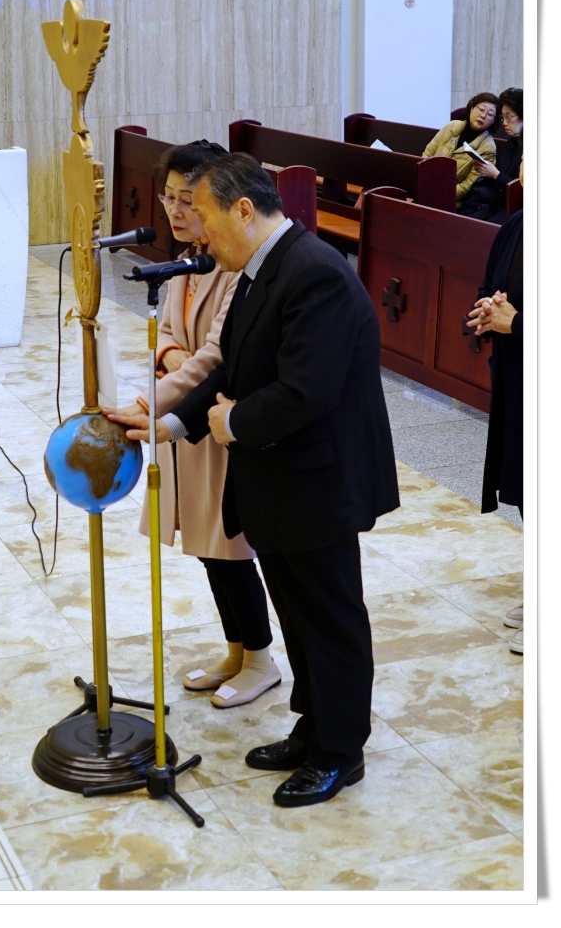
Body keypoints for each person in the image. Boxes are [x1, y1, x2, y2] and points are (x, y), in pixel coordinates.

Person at [107, 153, 400, 807]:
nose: (201, 235)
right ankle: (312, 728)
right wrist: (168, 422)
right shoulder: (262, 269)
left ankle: (339, 752)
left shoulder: (314, 273)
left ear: (243, 209)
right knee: (296, 612)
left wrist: (233, 421)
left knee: (329, 616)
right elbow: (227, 366)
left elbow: (306, 390)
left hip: (320, 481)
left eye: (206, 216)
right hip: (283, 478)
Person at [111, 142, 280, 708]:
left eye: (190, 200)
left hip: (216, 422)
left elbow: (217, 354)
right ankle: (236, 650)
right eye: (170, 198)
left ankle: (261, 660)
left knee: (230, 546)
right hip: (184, 415)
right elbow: (167, 336)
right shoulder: (186, 260)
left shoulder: (232, 265)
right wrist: (172, 359)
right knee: (207, 549)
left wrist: (156, 393)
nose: (179, 211)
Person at [466, 200, 523, 655]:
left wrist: (518, 322)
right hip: (517, 380)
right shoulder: (519, 224)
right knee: (528, 488)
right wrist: (489, 308)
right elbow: (492, 287)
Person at [422, 92, 499, 209]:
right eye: (481, 110)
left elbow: (467, 187)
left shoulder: (488, 148)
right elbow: (427, 154)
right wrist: (424, 185)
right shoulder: (451, 126)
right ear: (472, 108)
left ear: (494, 120)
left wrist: (439, 193)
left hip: (451, 201)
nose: (483, 116)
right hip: (426, 188)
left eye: (490, 114)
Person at [461, 88, 523, 223]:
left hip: (518, 208)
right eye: (503, 117)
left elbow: (522, 190)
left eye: (509, 117)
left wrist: (496, 175)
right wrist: (486, 170)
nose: (504, 123)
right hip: (499, 200)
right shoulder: (511, 142)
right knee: (464, 222)